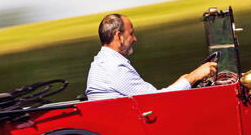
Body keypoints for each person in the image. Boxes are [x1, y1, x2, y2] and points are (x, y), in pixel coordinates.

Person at [85, 13, 217, 101]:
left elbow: (151, 95)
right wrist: (193, 77)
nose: (135, 39)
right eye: (131, 34)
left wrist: (185, 79)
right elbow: (154, 100)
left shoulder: (102, 62)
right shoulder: (113, 67)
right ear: (119, 36)